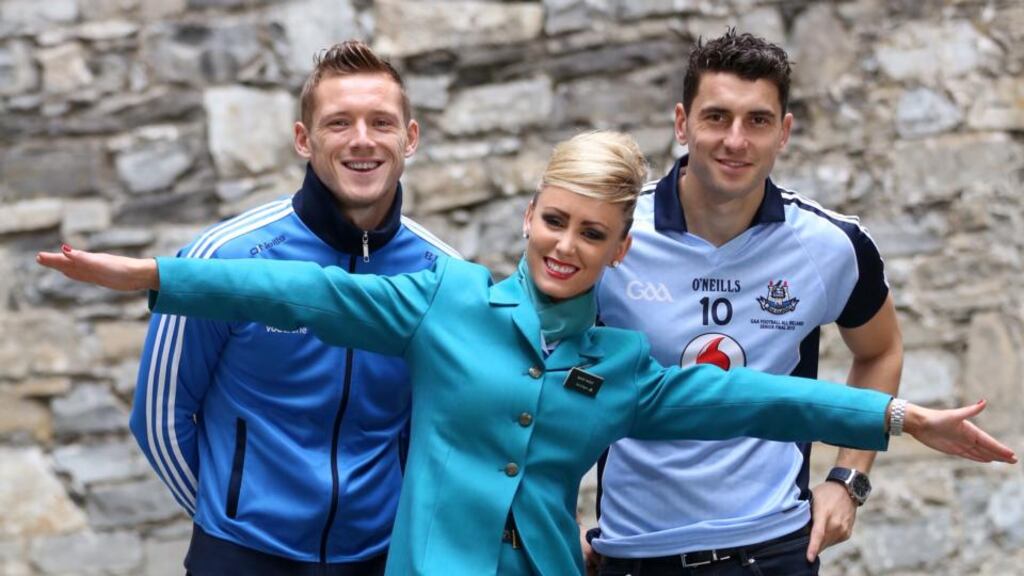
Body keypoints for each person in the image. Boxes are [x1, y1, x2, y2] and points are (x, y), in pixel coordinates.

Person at [37, 131, 1015, 576]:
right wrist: (154, 277)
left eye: (591, 234)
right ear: (529, 214)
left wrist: (895, 419)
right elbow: (302, 292)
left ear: (617, 250)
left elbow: (766, 401)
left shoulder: (626, 370)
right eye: (555, 221)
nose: (565, 246)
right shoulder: (443, 300)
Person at [129, 40, 458, 575]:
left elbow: (443, 427)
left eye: (381, 122)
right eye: (338, 123)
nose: (362, 141)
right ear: (304, 139)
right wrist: (226, 517)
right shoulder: (223, 259)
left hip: (380, 555)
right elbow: (159, 417)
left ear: (410, 137)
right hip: (240, 554)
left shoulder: (443, 274)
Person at [587, 30, 906, 575]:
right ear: (682, 123)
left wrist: (848, 481)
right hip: (634, 553)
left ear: (784, 132)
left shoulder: (830, 246)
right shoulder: (610, 234)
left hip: (775, 549)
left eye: (757, 121)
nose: (736, 140)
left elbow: (880, 351)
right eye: (717, 117)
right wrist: (548, 509)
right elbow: (540, 371)